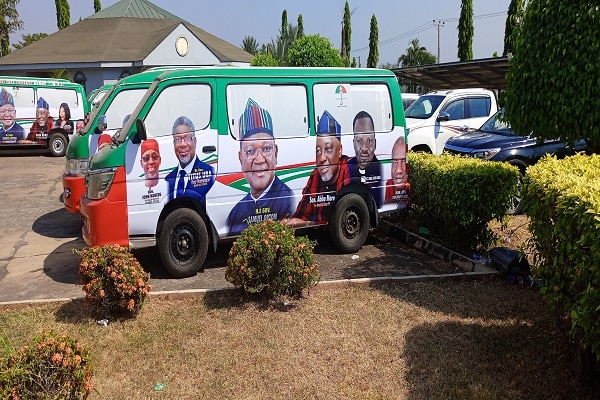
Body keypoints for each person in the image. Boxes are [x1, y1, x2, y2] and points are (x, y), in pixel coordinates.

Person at [226, 99, 294, 236]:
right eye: (250, 151)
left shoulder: (289, 201)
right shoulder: (234, 213)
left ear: (275, 153)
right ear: (241, 159)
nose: (259, 159)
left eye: (266, 148)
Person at [285, 110, 350, 228]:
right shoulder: (315, 176)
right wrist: (294, 221)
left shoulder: (349, 172)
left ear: (339, 150)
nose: (322, 158)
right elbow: (302, 214)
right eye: (318, 151)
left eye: (329, 149)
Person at [164, 116, 215, 202]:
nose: (183, 144)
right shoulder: (168, 180)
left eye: (188, 138)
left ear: (195, 141)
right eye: (178, 139)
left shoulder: (210, 174)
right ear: (173, 143)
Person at [347, 110, 383, 207]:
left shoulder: (380, 168)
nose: (364, 148)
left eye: (369, 141)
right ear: (353, 142)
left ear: (375, 143)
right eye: (359, 141)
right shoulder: (346, 168)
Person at [384, 136, 410, 208]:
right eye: (395, 163)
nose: (399, 170)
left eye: (403, 162)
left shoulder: (408, 188)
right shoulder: (388, 184)